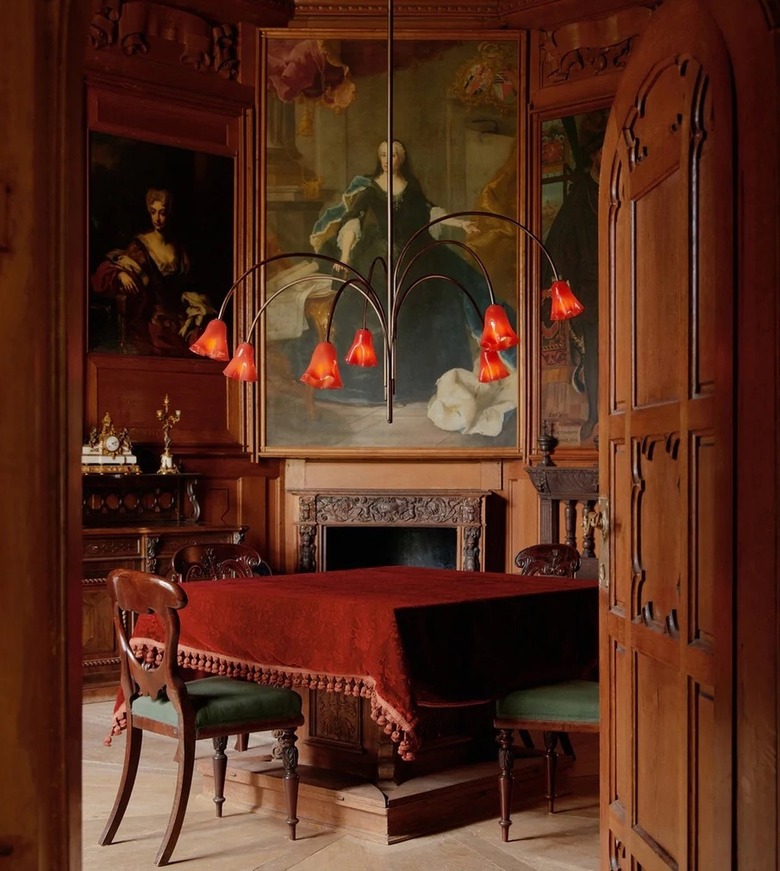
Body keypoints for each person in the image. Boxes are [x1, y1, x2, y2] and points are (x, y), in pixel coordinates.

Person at [308, 140, 501, 404]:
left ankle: (412, 383)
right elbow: (352, 221)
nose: (388, 160)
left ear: (402, 158)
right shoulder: (371, 189)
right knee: (374, 315)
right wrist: (344, 257)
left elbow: (432, 212)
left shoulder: (412, 188)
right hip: (378, 260)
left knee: (419, 314)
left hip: (413, 257)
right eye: (383, 155)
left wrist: (461, 224)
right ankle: (373, 383)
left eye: (393, 155)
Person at [542, 112, 606, 442]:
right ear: (593, 154)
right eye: (602, 150)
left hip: (627, 281)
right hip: (592, 288)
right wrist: (558, 282)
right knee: (596, 352)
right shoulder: (582, 192)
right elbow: (558, 242)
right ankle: (597, 416)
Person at [91, 187, 215, 355]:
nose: (157, 218)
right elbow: (111, 267)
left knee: (199, 340)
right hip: (151, 317)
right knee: (159, 339)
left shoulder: (178, 249)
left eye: (162, 213)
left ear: (169, 214)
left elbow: (187, 284)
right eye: (153, 212)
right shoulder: (141, 246)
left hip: (177, 315)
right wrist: (121, 274)